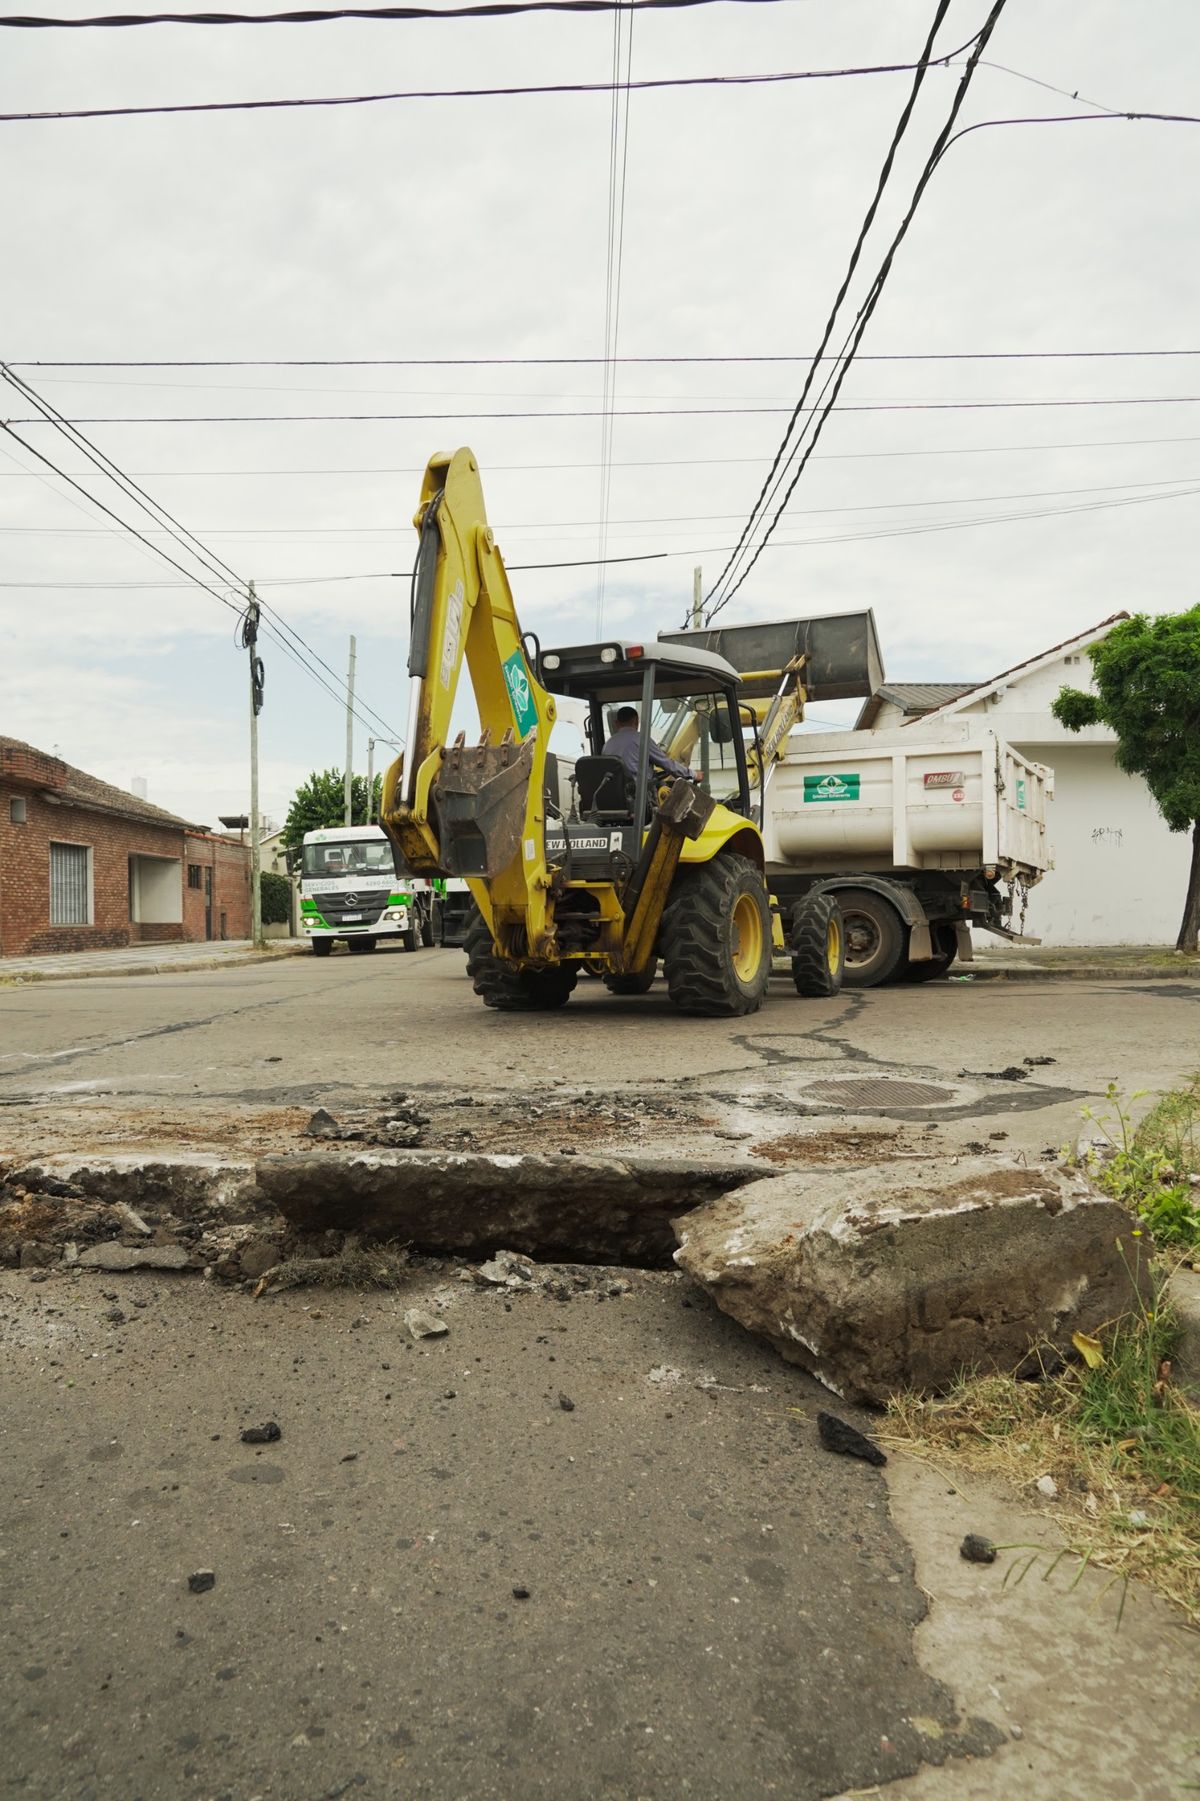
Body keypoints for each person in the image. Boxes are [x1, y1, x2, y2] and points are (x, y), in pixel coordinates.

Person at [601, 705, 692, 784]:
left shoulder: (607, 745)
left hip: (617, 796)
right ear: (636, 722)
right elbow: (666, 763)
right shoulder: (642, 740)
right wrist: (693, 774)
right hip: (639, 796)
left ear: (617, 723)